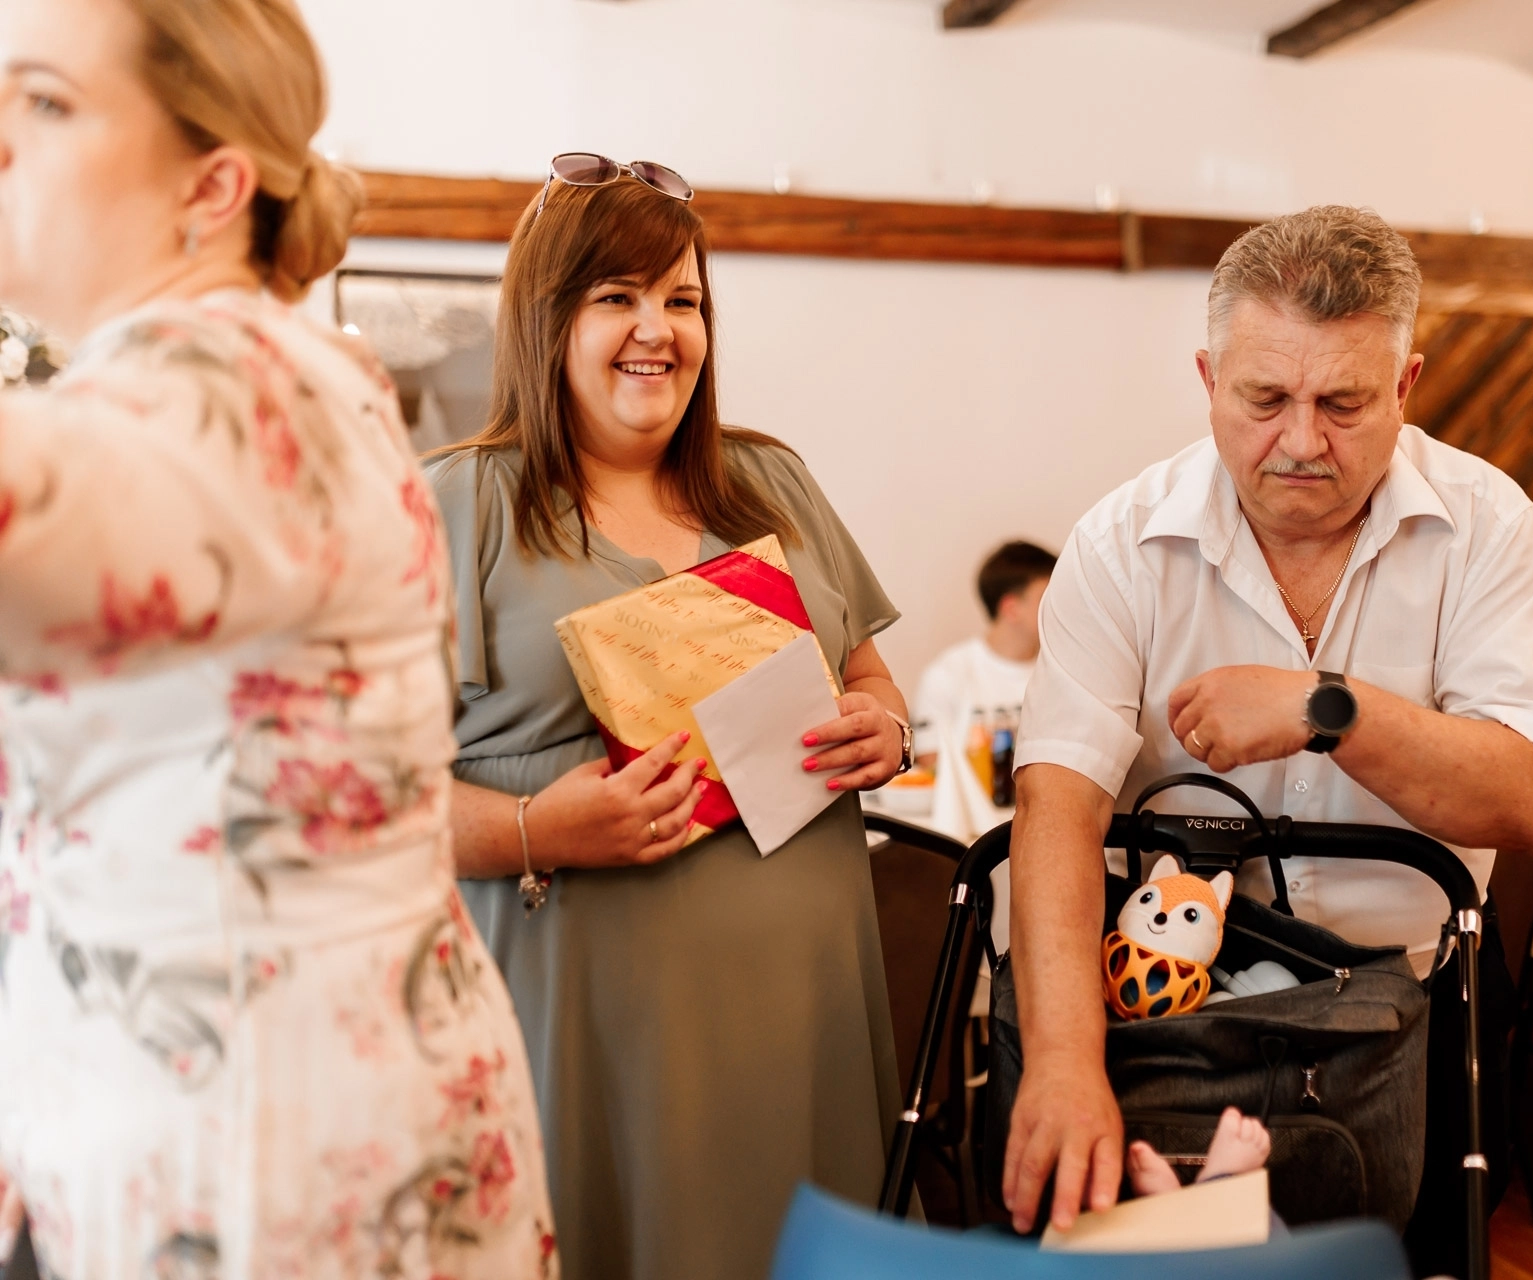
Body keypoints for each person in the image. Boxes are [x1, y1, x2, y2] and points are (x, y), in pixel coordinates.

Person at [0, 0, 555, 1275]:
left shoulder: (234, 393)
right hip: (257, 1121)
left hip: (273, 1176)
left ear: (212, 186)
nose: (1, 143)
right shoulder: (267, 372)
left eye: (46, 102)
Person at [1001, 205, 1533, 1279]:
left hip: (1414, 1009)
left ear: (1406, 385)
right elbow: (1057, 806)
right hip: (1167, 1007)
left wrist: (1329, 710)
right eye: (1265, 399)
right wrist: (1066, 1060)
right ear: (1207, 378)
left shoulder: (1490, 529)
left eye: (1344, 404)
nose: (1304, 441)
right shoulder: (1121, 544)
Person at [427, 157, 910, 1280]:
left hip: (801, 1017)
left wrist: (886, 730)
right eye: (618, 297)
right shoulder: (462, 501)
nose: (658, 329)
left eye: (682, 299)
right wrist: (536, 829)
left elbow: (873, 679)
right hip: (593, 1037)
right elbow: (357, 802)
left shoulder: (772, 480)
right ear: (546, 319)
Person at [914, 539, 1055, 773]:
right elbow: (931, 760)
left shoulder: (1065, 670)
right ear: (1011, 608)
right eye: (1048, 598)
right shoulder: (946, 674)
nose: (1060, 607)